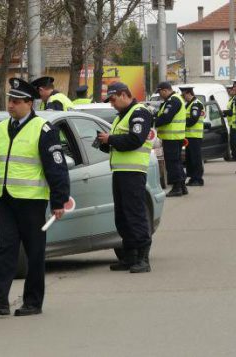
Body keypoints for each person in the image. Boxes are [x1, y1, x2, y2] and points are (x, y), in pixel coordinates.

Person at [0, 78, 70, 317]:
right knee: (5, 249)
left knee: (34, 252)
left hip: (32, 201)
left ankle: (32, 301)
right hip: (6, 200)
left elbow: (56, 167)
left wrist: (59, 201)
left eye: (16, 101)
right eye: (10, 100)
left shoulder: (43, 129)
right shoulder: (0, 128)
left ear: (30, 103)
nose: (11, 105)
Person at [97, 82, 153, 273]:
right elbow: (119, 144)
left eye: (113, 100)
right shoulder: (120, 117)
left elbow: (135, 140)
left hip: (134, 173)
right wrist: (104, 143)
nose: (111, 104)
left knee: (135, 215)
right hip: (120, 172)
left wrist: (111, 139)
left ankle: (143, 259)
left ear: (123, 95)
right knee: (122, 217)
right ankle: (129, 257)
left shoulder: (139, 113)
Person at [154, 81, 188, 197]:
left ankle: (176, 187)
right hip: (173, 137)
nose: (159, 95)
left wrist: (154, 122)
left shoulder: (173, 100)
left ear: (165, 90)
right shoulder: (171, 100)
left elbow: (166, 118)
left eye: (160, 92)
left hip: (172, 137)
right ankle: (182, 187)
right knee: (176, 162)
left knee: (172, 163)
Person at [182, 86, 205, 186]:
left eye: (183, 95)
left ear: (188, 93)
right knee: (190, 158)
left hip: (195, 135)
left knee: (195, 158)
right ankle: (192, 177)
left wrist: (181, 123)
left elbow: (193, 120)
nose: (183, 97)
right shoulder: (188, 104)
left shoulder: (196, 104)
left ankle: (198, 179)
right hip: (188, 136)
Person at [222, 84, 236, 161]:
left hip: (235, 123)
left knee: (235, 142)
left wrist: (225, 112)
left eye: (230, 91)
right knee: (232, 142)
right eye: (228, 91)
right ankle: (235, 155)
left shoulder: (235, 99)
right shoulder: (231, 99)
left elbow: (233, 111)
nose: (229, 92)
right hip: (232, 123)